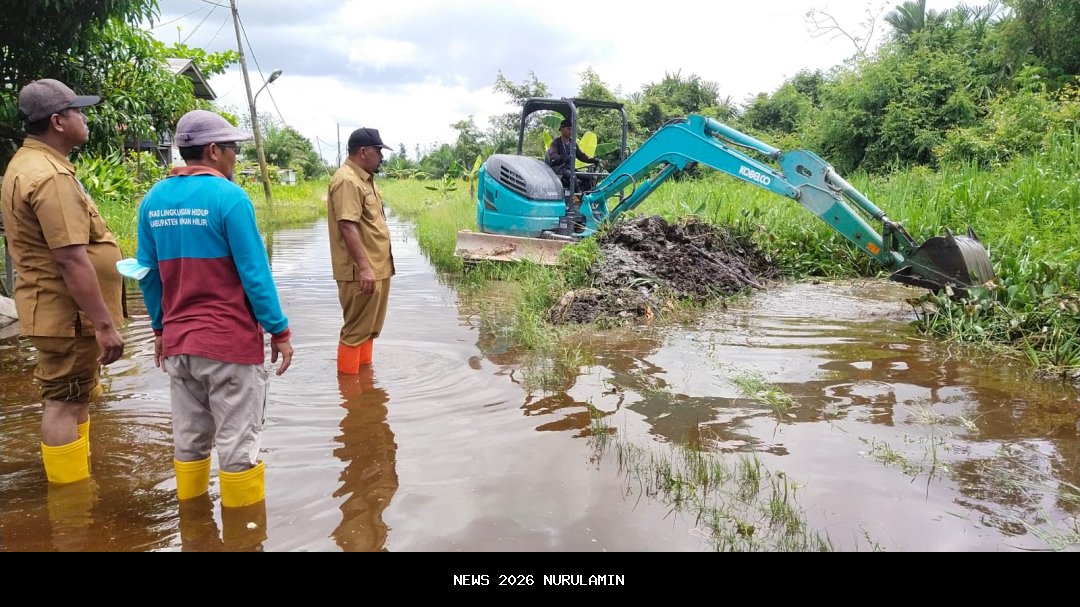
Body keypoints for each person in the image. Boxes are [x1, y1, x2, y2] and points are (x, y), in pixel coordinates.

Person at [135, 109, 293, 510]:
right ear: (212, 150)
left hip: (179, 345)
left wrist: (159, 330)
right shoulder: (230, 198)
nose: (235, 158)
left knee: (189, 443)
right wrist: (280, 331)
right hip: (228, 346)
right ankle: (244, 534)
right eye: (233, 150)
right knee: (239, 445)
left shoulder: (153, 200)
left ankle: (194, 527)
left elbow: (148, 275)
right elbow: (255, 275)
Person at [1, 78, 125, 485]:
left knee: (75, 395)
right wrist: (104, 325)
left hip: (57, 312)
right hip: (68, 316)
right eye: (78, 111)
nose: (85, 118)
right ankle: (71, 504)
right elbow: (71, 259)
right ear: (58, 121)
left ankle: (78, 477)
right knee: (62, 402)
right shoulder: (49, 176)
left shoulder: (28, 164)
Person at [328, 127, 395, 374]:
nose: (382, 157)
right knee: (356, 330)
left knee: (369, 329)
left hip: (377, 268)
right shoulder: (346, 180)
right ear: (364, 152)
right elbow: (347, 225)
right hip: (361, 272)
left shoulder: (364, 180)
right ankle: (350, 395)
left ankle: (365, 385)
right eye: (378, 151)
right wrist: (365, 268)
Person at [546, 117, 605, 190]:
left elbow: (582, 156)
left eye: (571, 129)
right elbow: (553, 155)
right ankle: (579, 196)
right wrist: (561, 158)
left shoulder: (573, 143)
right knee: (572, 175)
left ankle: (588, 196)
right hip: (560, 169)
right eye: (568, 129)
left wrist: (594, 160)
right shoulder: (556, 142)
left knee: (590, 177)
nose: (570, 131)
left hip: (571, 169)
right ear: (561, 129)